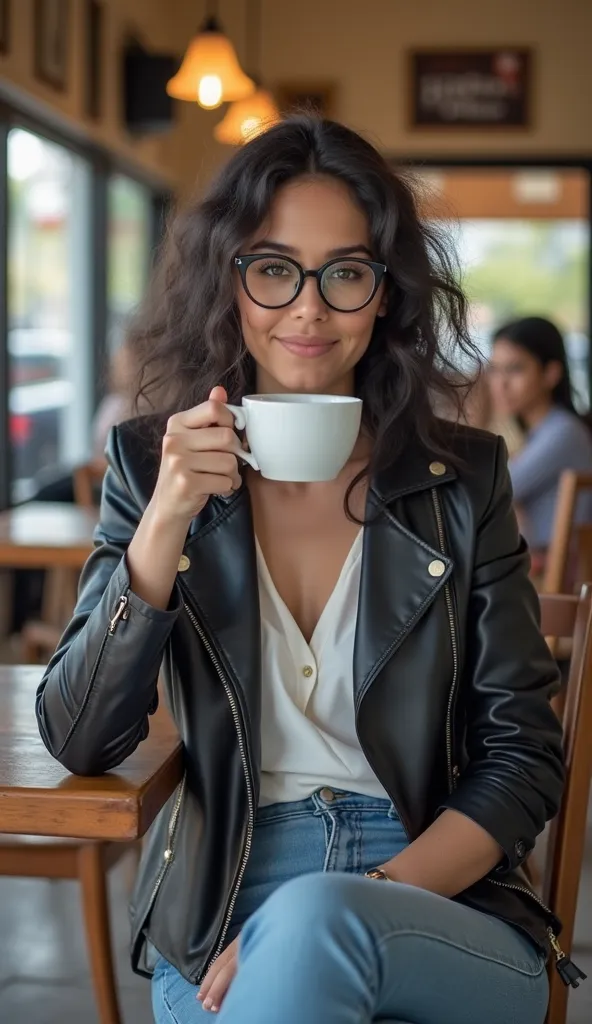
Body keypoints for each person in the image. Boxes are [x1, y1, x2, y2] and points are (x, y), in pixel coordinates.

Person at [36, 116, 572, 1024]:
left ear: (386, 295)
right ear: (231, 282)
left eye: (346, 273)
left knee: (318, 931)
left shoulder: (462, 476)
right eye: (274, 268)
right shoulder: (148, 465)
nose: (309, 309)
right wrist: (165, 522)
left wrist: (352, 900)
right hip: (224, 894)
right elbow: (82, 740)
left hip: (441, 889)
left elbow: (524, 754)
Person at [488, 316, 592, 556]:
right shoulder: (537, 431)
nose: (500, 384)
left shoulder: (563, 431)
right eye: (494, 370)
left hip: (552, 578)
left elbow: (492, 491)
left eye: (515, 369)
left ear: (550, 373)